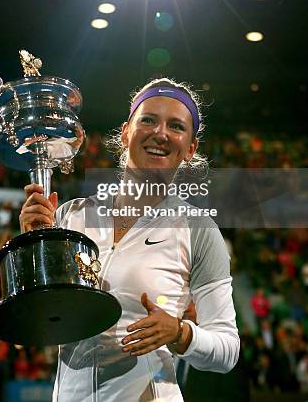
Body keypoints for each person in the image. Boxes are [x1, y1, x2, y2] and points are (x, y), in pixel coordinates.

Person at [20, 78, 240, 401]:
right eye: (148, 120)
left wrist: (180, 334)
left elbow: (228, 349)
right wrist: (33, 248)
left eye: (176, 126)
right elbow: (37, 322)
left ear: (190, 149)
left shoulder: (198, 230)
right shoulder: (70, 216)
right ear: (126, 132)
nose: (160, 133)